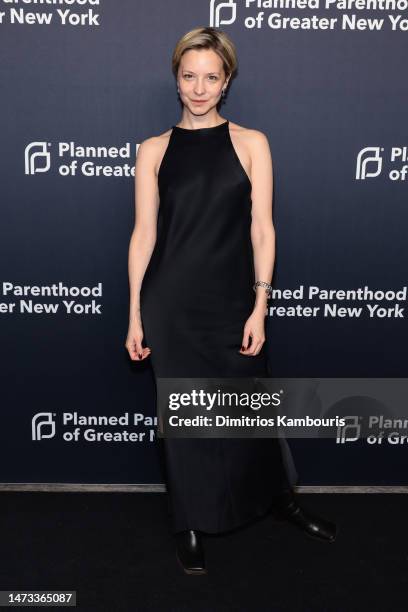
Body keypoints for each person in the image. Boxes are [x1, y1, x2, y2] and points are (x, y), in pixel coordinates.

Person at [126, 26, 337, 575]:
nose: (199, 88)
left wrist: (259, 305)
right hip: (170, 305)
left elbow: (262, 230)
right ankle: (189, 522)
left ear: (226, 83)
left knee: (251, 411)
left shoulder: (251, 143)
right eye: (189, 76)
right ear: (176, 79)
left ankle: (278, 499)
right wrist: (134, 313)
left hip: (231, 302)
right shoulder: (153, 150)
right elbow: (143, 235)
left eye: (211, 78)